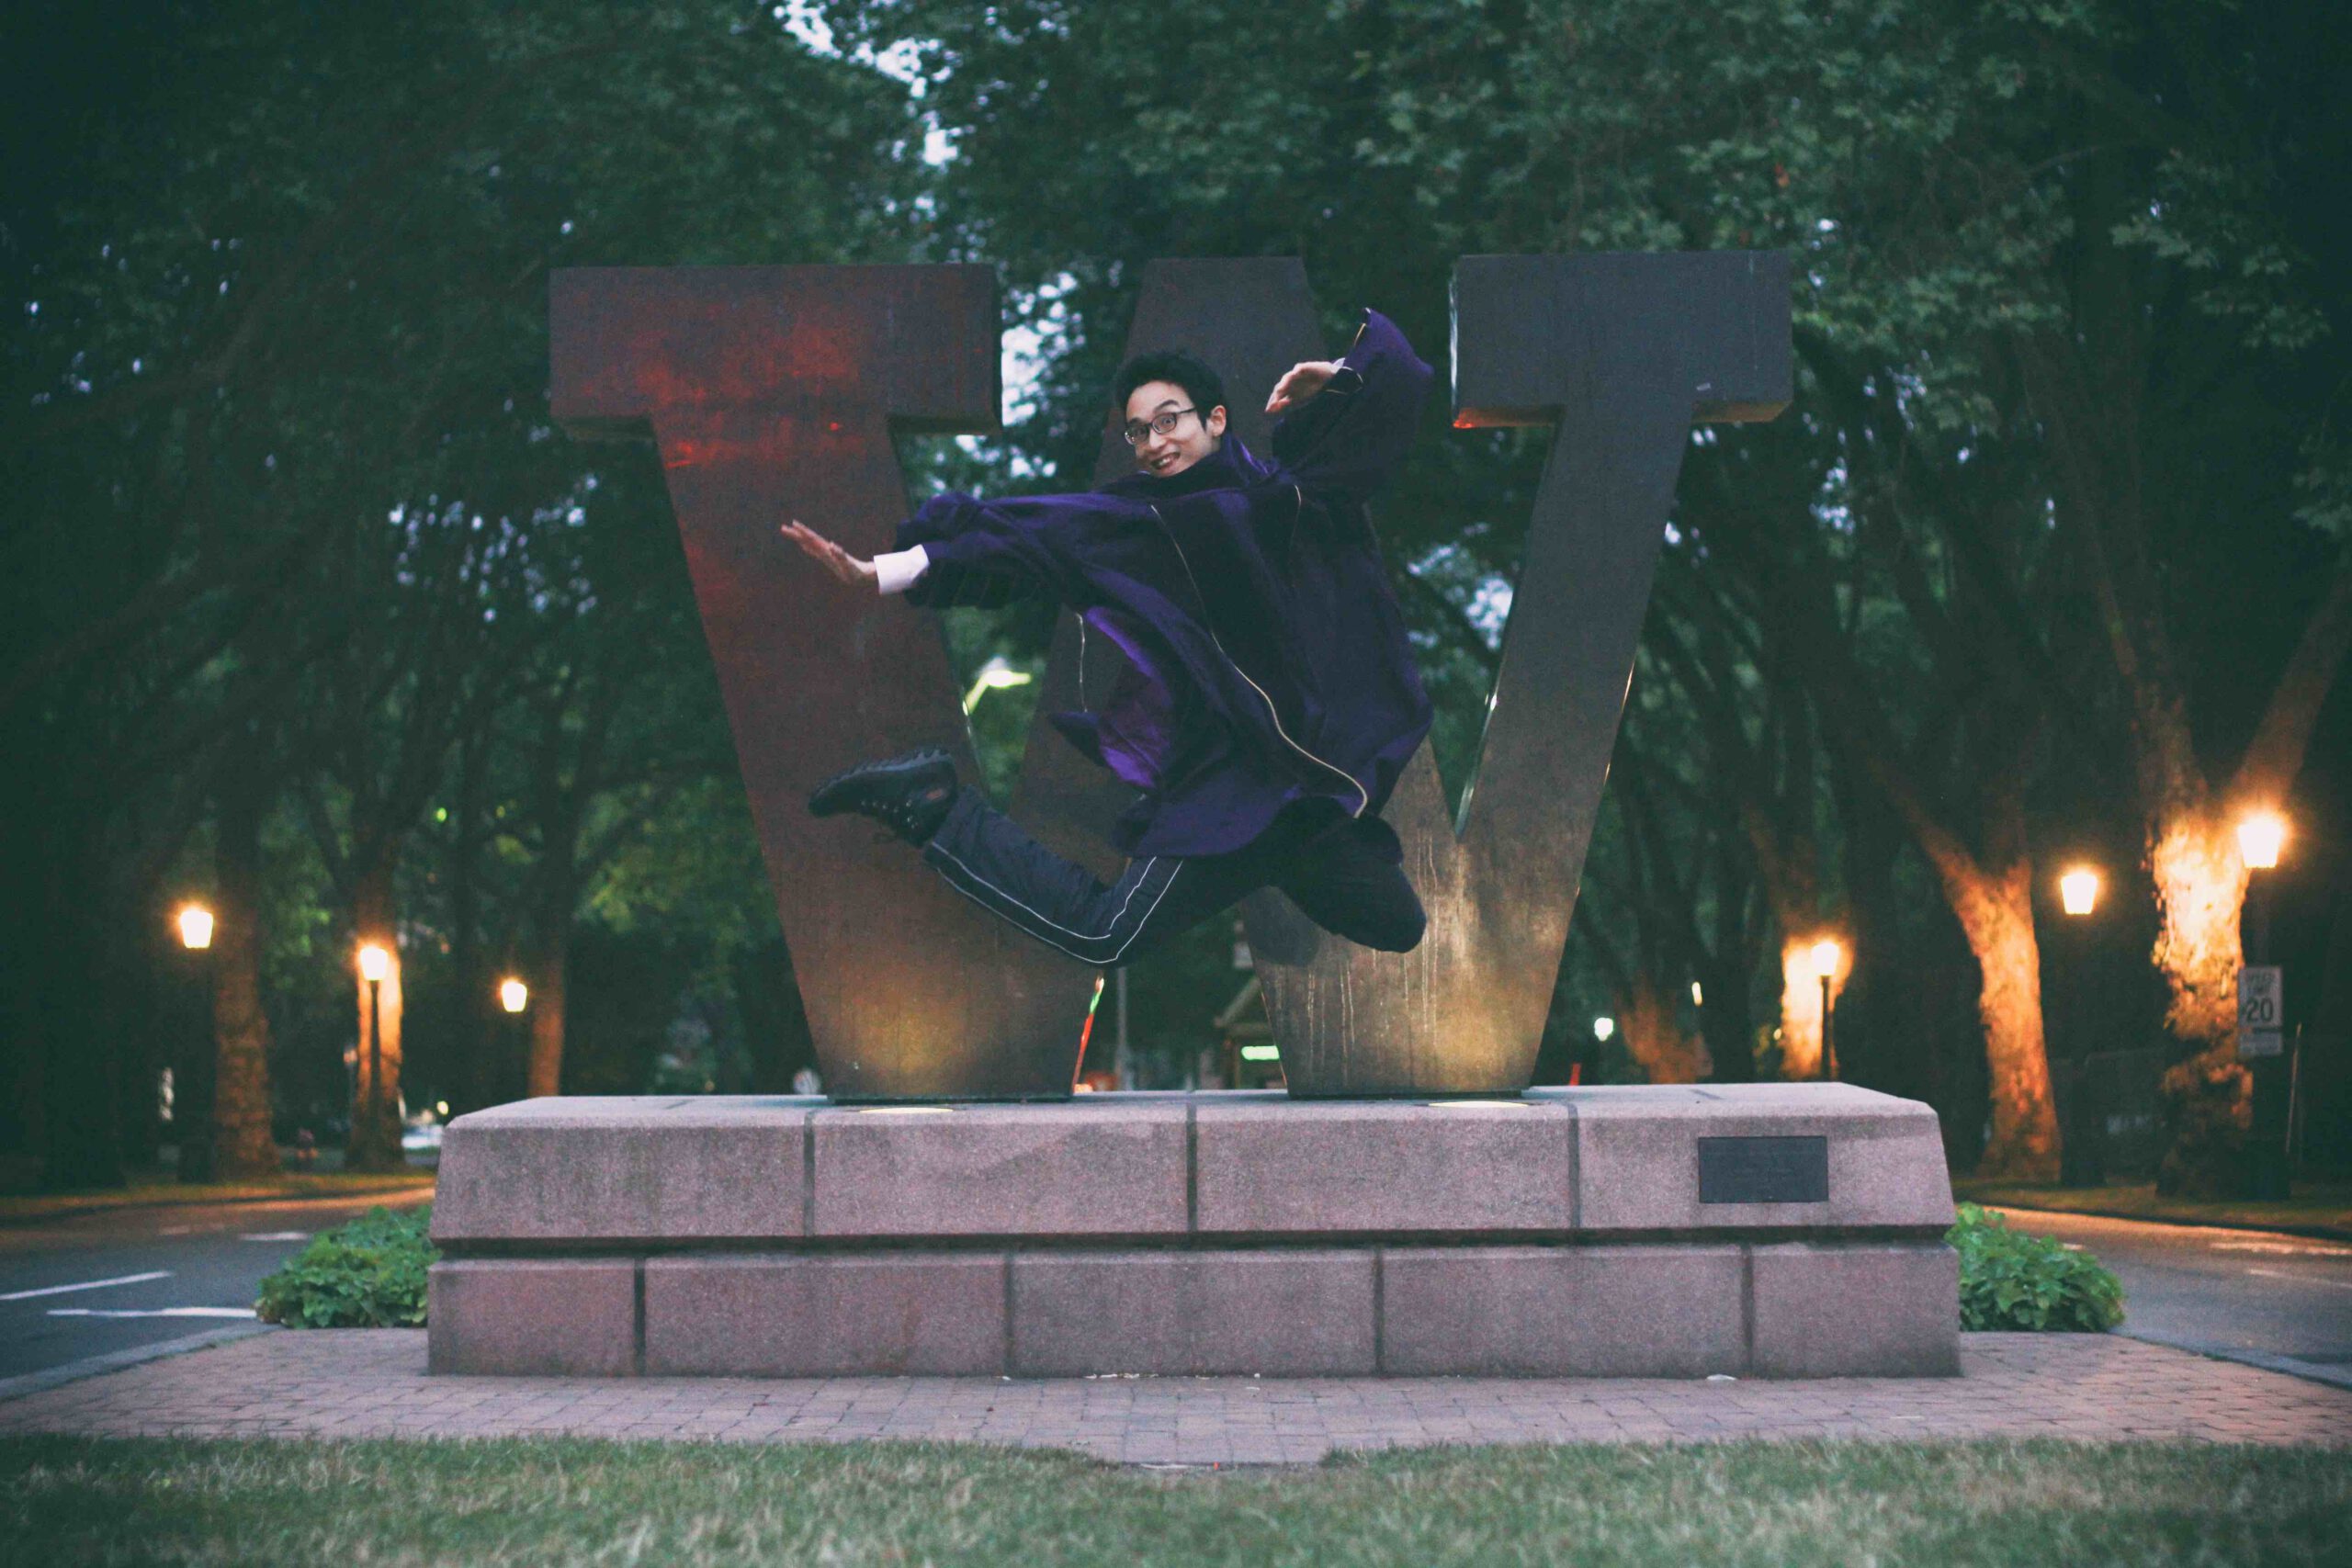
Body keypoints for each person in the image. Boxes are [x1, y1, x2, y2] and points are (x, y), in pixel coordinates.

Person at [781, 308, 1436, 969]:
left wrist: (1346, 379)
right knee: (1106, 934)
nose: (1153, 442)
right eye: (1138, 430)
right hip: (1232, 788)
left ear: (1215, 419)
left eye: (1168, 420)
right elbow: (1021, 537)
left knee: (1398, 923)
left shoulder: (1285, 497)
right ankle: (935, 807)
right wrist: (880, 571)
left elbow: (1385, 413)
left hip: (1303, 799)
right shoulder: (1133, 521)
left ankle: (1270, 855)